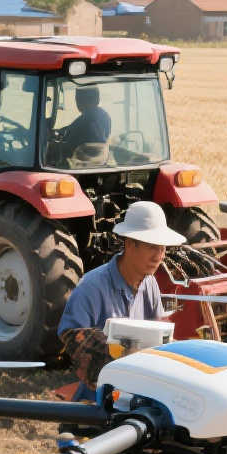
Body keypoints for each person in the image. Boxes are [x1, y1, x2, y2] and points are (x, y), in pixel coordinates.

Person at [57, 200, 183, 396]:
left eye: (162, 248)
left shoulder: (149, 283)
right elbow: (70, 336)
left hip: (136, 392)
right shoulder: (92, 286)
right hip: (96, 400)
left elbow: (159, 332)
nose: (159, 256)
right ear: (130, 244)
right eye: (152, 247)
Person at [51, 85, 113, 165]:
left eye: (78, 97)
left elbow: (69, 145)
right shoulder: (103, 116)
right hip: (99, 162)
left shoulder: (85, 120)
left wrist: (54, 144)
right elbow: (71, 128)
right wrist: (61, 131)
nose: (76, 101)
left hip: (82, 164)